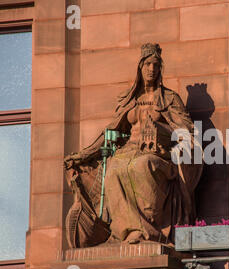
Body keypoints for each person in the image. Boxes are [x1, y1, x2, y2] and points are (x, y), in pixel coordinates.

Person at [64, 43, 202, 247]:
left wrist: (163, 132)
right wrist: (85, 154)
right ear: (140, 67)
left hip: (158, 154)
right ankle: (127, 231)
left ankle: (148, 231)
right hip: (128, 150)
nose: (151, 69)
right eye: (147, 64)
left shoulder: (170, 99)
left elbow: (187, 132)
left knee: (142, 166)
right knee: (113, 170)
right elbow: (109, 133)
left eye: (156, 65)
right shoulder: (128, 100)